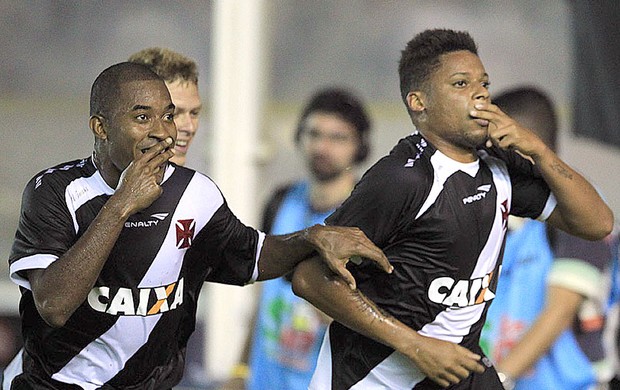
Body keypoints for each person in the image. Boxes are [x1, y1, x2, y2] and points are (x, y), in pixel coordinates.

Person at [3, 62, 396, 389]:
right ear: (100, 127)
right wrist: (121, 204)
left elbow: (254, 257)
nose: (165, 131)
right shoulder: (55, 190)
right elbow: (53, 305)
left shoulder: (196, 194)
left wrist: (311, 237)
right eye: (143, 117)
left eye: (170, 115)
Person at [290, 28, 614, 389]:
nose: (480, 95)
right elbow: (309, 278)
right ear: (419, 102)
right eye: (461, 84)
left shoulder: (500, 169)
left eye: (484, 84)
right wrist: (416, 346)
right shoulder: (401, 178)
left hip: (459, 368)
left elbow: (598, 224)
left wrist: (538, 149)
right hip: (375, 377)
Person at [237, 87, 374, 390]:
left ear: (359, 146)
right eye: (314, 133)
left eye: (338, 137)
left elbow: (367, 320)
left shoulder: (368, 217)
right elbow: (260, 299)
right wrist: (240, 369)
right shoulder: (280, 200)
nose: (322, 147)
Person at [479, 87, 615, 389]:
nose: (481, 154)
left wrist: (499, 380)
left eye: (489, 144)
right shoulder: (497, 210)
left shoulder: (579, 214)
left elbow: (560, 311)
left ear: (519, 143)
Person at [128, 47, 202, 166]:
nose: (190, 127)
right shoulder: (88, 182)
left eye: (194, 113)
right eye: (172, 115)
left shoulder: (202, 184)